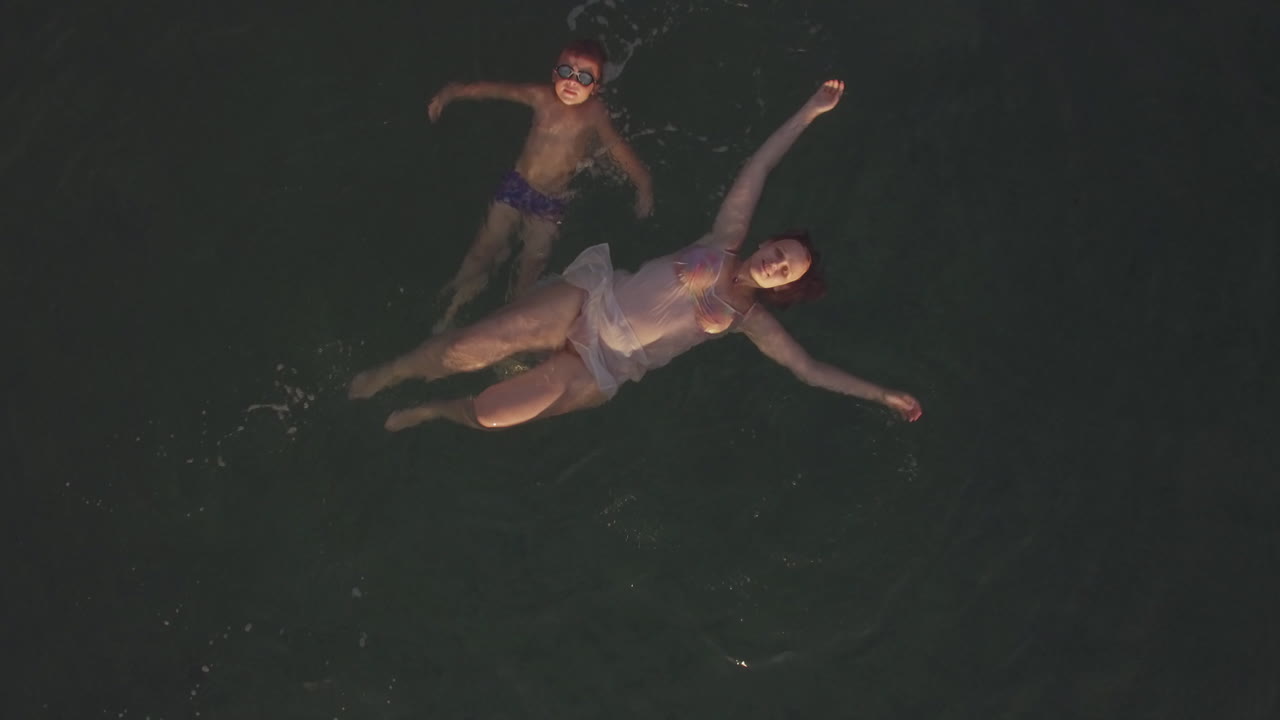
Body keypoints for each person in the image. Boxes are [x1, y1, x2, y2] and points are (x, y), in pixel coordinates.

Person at [350, 80, 923, 430]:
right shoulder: (724, 239)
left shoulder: (750, 321)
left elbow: (808, 370)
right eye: (778, 249)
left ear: (784, 287)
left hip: (603, 365)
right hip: (586, 303)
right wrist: (809, 112)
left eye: (785, 267)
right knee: (463, 348)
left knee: (492, 415)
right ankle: (394, 371)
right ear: (766, 241)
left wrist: (882, 394)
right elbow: (760, 167)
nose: (775, 260)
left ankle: (433, 412)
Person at [427, 38, 655, 333]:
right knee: (483, 250)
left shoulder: (594, 114)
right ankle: (452, 302)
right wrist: (453, 92)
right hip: (516, 188)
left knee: (531, 266)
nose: (572, 82)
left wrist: (643, 183)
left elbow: (618, 149)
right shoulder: (541, 96)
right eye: (566, 72)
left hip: (551, 202)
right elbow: (498, 90)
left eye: (584, 77)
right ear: (553, 74)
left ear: (596, 87)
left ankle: (513, 321)